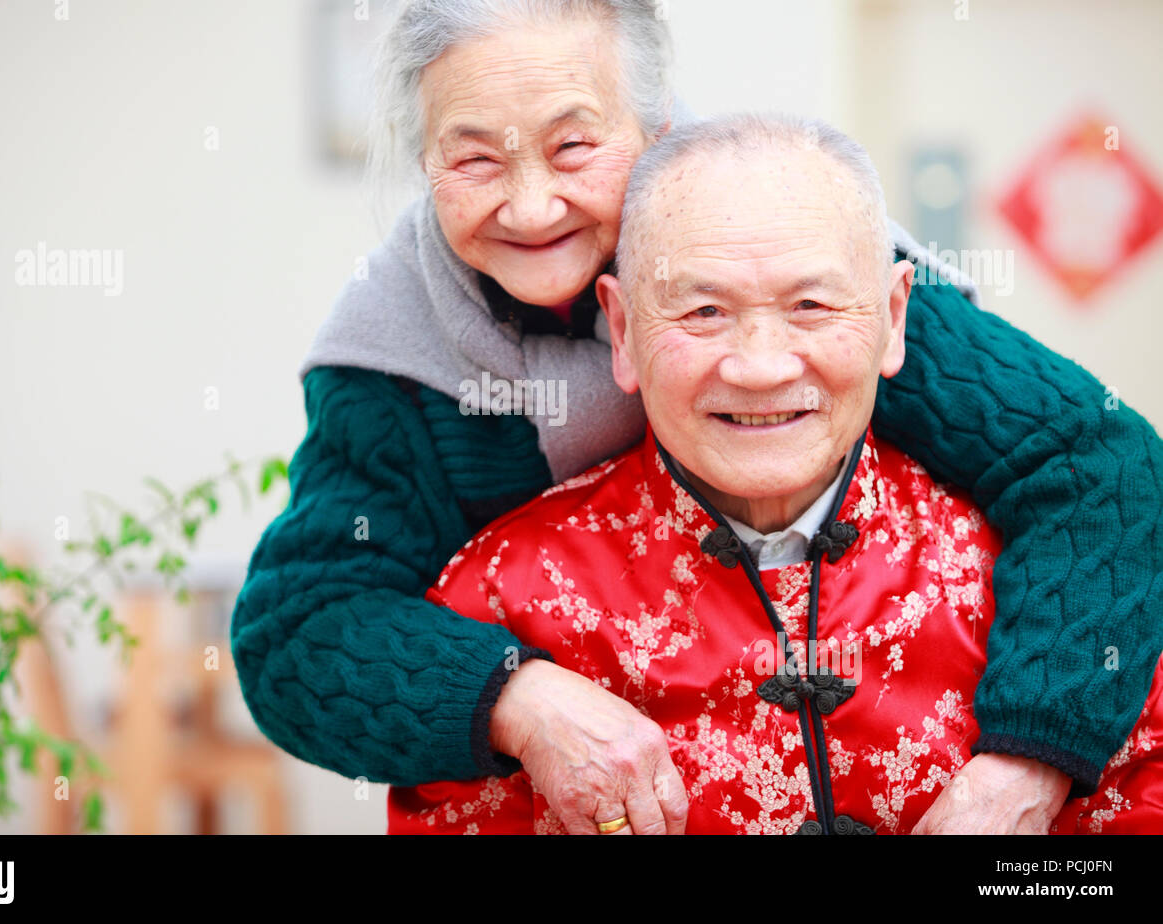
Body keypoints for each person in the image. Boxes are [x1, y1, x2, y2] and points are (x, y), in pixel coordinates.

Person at [230, 0, 1163, 834]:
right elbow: (300, 629)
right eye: (473, 160)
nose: (529, 207)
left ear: (656, 126)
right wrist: (519, 698)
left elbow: (1097, 461)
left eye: (574, 146)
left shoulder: (807, 259)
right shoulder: (393, 365)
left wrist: (1028, 761)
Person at [387, 113, 1163, 834]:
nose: (760, 366)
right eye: (703, 313)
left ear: (894, 318)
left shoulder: (1053, 582)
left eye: (812, 305)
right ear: (622, 330)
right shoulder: (498, 601)